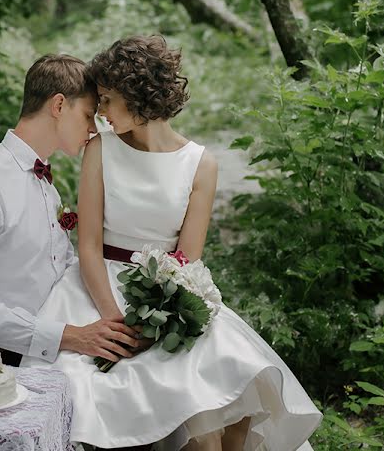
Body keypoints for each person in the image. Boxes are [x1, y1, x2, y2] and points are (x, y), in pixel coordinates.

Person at [20, 35, 322, 451]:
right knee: (98, 389)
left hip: (165, 296)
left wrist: (155, 319)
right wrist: (117, 323)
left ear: (136, 94)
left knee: (229, 396)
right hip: (96, 289)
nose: (101, 113)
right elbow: (87, 246)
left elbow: (186, 260)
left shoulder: (200, 164)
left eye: (107, 100)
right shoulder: (100, 150)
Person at [0, 54, 144, 370]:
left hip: (63, 335)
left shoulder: (46, 184)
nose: (93, 129)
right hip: (10, 357)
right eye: (89, 115)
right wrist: (73, 336)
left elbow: (61, 270)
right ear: (59, 105)